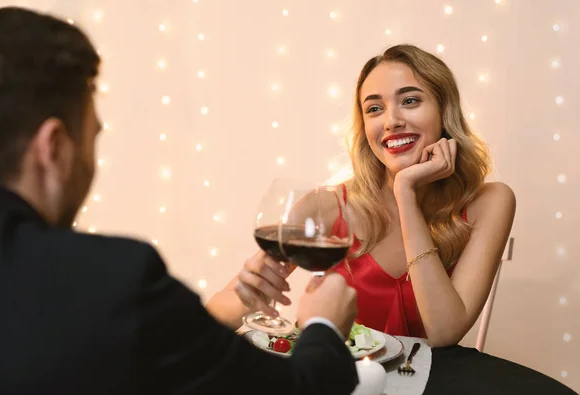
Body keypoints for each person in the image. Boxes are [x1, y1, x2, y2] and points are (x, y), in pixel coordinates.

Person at [0, 7, 359, 395]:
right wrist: (324, 327)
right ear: (54, 149)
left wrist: (225, 311)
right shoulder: (113, 280)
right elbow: (297, 392)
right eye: (93, 137)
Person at [207, 44, 516, 348]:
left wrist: (404, 192)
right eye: (374, 108)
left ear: (444, 111)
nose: (391, 121)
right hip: (333, 381)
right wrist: (247, 297)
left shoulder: (489, 202)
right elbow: (212, 318)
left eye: (410, 100)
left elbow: (444, 331)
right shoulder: (328, 205)